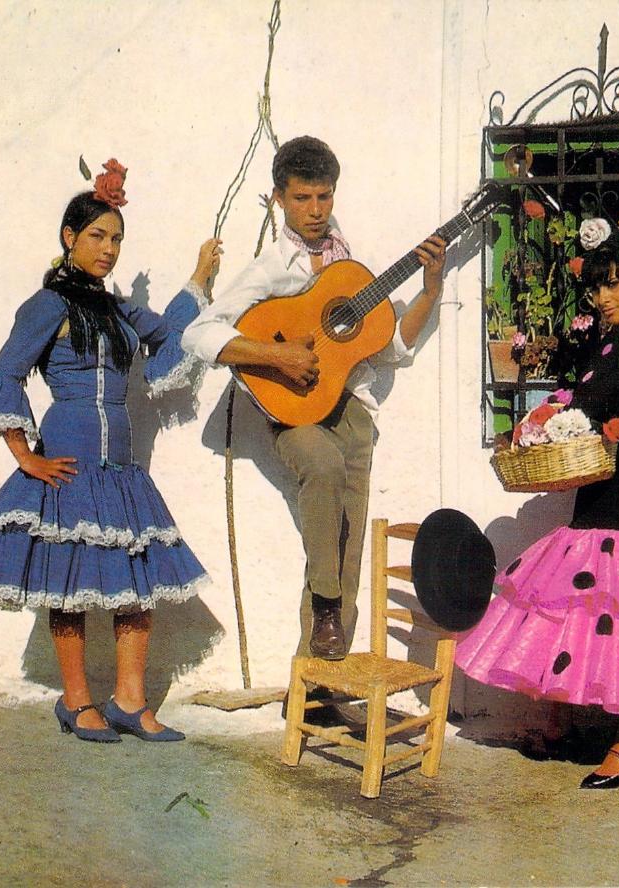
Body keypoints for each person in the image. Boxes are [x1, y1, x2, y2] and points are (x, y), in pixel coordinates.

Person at [0, 160, 221, 742]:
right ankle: (77, 701)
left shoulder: (114, 308)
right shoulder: (46, 306)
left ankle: (130, 700)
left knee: (137, 586)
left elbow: (167, 335)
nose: (109, 249)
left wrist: (198, 280)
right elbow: (4, 375)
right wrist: (25, 456)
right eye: (98, 237)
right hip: (70, 466)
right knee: (68, 587)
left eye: (117, 239)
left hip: (122, 472)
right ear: (69, 238)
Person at [456, 223, 619, 789]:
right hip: (612, 490)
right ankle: (594, 732)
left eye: (612, 285)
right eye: (595, 289)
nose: (601, 299)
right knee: (592, 623)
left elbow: (591, 401)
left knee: (617, 622)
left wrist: (546, 414)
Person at [181, 135, 446, 667]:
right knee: (321, 467)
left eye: (324, 197)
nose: (316, 211)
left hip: (350, 409)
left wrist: (431, 288)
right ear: (279, 198)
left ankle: (320, 681)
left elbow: (390, 347)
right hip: (293, 407)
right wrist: (277, 358)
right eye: (303, 199)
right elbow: (199, 333)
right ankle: (326, 605)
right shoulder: (270, 268)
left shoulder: (349, 268)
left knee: (348, 539)